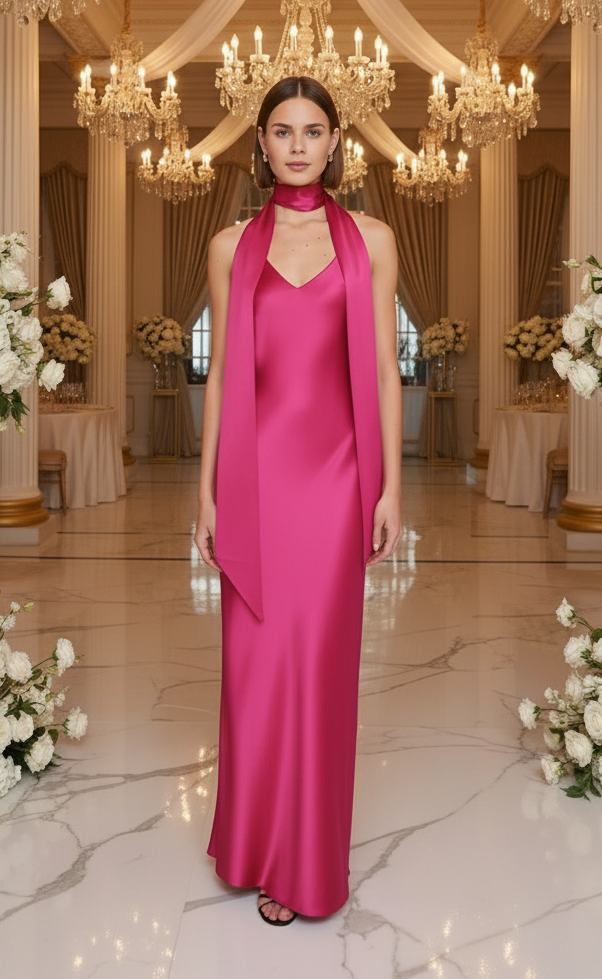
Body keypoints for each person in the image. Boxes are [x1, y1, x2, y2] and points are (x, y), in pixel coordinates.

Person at [195, 75, 402, 926]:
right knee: (253, 670)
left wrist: (390, 487)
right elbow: (220, 375)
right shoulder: (229, 246)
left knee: (317, 667)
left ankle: (304, 861)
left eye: (313, 131)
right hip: (254, 476)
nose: (297, 146)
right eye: (282, 131)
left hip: (336, 478)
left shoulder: (374, 239)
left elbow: (384, 370)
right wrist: (207, 493)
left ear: (336, 141)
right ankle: (251, 844)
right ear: (260, 142)